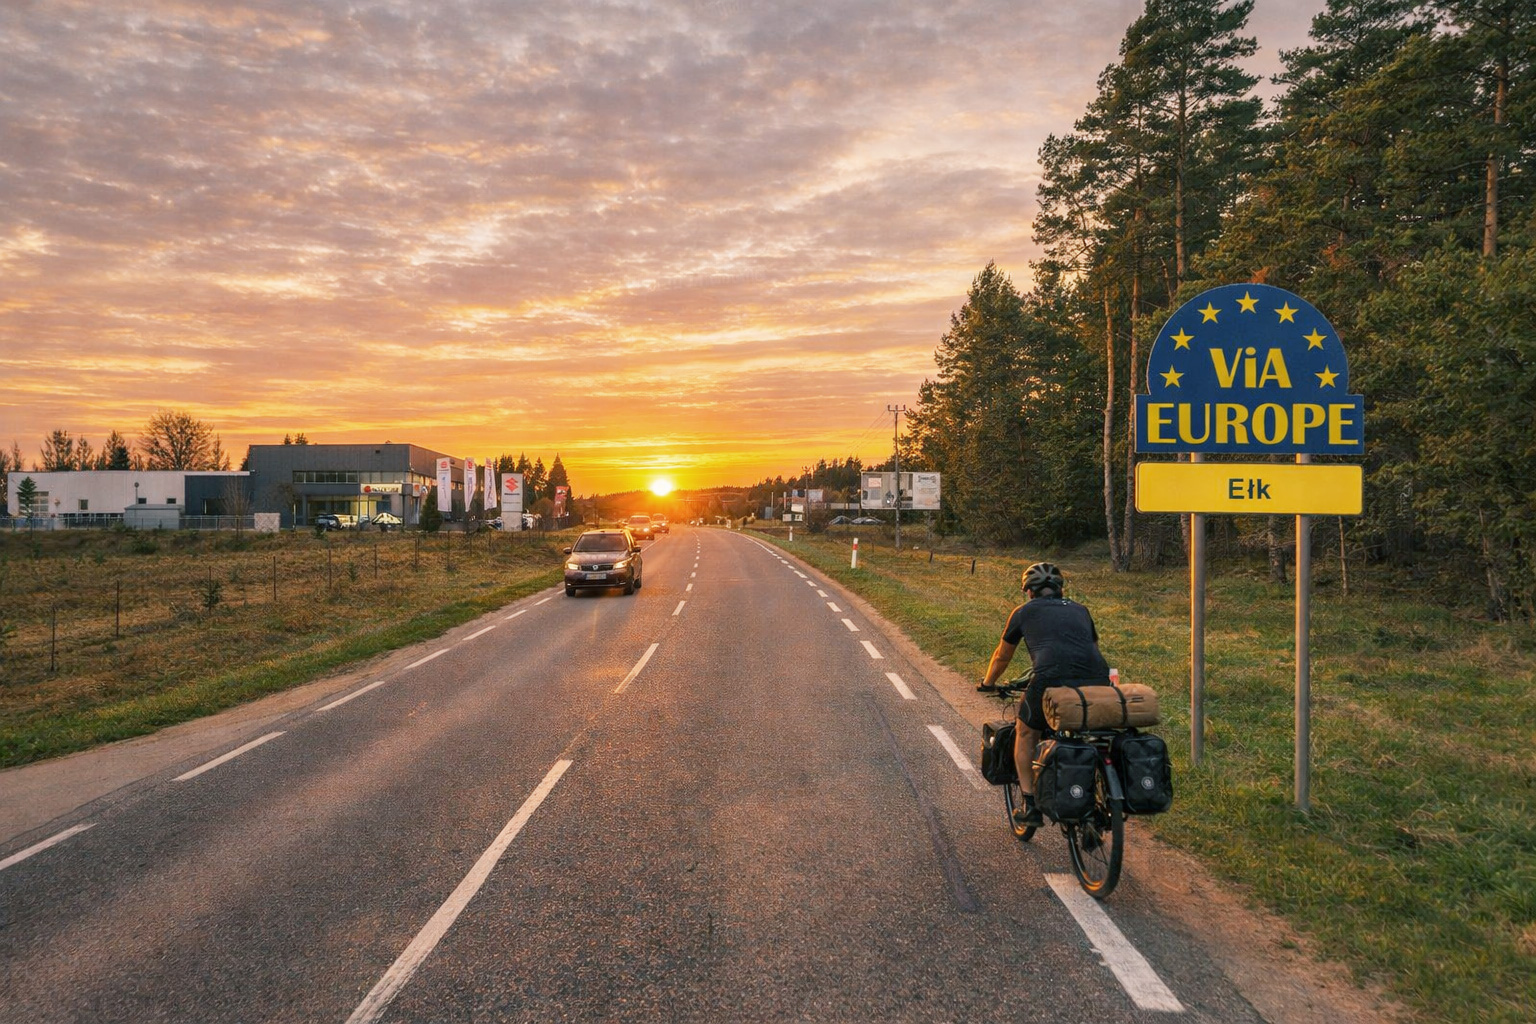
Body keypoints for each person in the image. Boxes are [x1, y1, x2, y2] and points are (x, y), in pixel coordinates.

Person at [976, 561, 1111, 827]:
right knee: (1089, 732)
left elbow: (1002, 656)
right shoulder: (1080, 610)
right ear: (1060, 589)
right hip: (1098, 678)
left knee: (1026, 733)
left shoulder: (1023, 612)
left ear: (1029, 591)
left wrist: (988, 682)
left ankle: (1030, 805)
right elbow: (1091, 647)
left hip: (1049, 680)